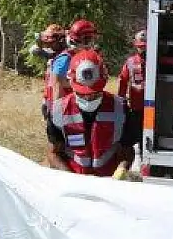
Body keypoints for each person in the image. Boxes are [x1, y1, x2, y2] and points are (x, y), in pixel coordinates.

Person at [46, 49, 137, 178]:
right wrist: (69, 178)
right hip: (74, 178)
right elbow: (53, 153)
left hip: (109, 181)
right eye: (82, 94)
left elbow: (127, 150)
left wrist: (122, 169)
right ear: (72, 84)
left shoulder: (121, 109)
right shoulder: (58, 111)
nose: (89, 99)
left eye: (95, 94)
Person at [47, 19, 99, 110]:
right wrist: (57, 112)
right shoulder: (65, 59)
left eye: (92, 39)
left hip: (77, 106)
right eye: (88, 39)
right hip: (65, 108)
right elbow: (57, 86)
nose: (91, 43)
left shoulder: (82, 57)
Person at [117, 30, 147, 158]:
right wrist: (121, 101)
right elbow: (123, 81)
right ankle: (137, 157)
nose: (142, 50)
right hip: (136, 106)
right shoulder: (130, 62)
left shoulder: (155, 61)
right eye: (140, 47)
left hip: (152, 105)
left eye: (144, 47)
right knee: (135, 132)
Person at [33, 24, 68, 121]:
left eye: (51, 43)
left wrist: (57, 109)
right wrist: (45, 101)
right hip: (50, 100)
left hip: (62, 104)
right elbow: (50, 84)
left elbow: (58, 85)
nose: (49, 46)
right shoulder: (54, 56)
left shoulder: (63, 58)